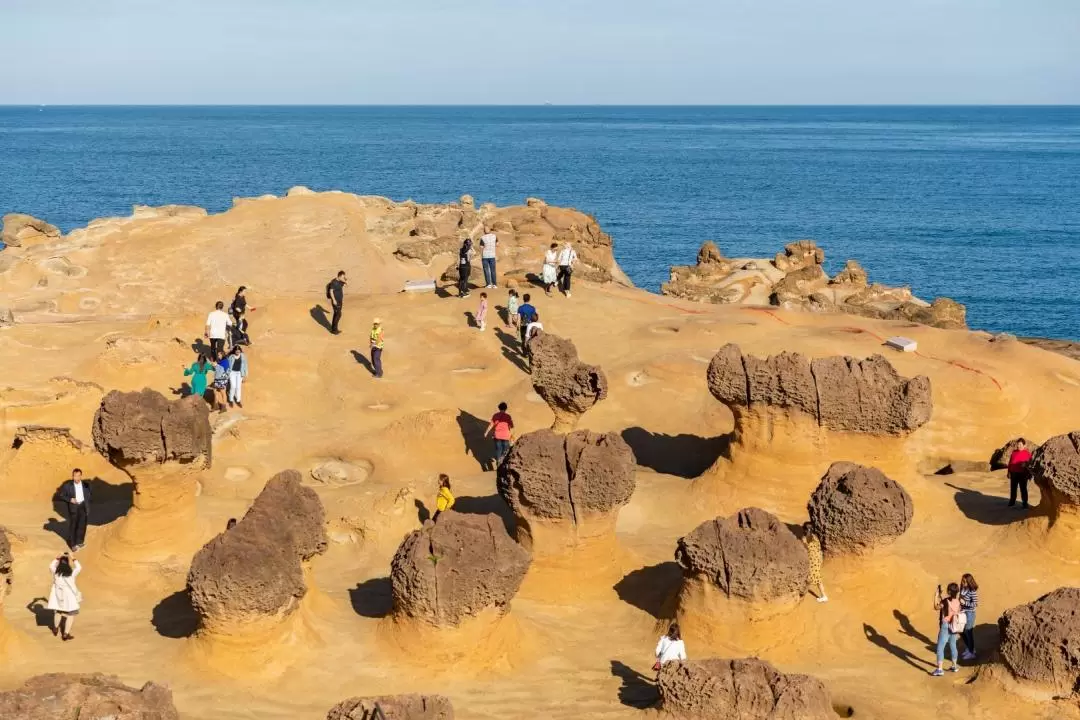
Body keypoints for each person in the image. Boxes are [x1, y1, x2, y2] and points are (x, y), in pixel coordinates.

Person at [47, 552, 81, 641]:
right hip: (69, 597)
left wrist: (57, 557)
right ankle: (65, 634)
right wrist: (73, 557)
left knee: (58, 611)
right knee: (71, 614)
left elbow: (51, 566)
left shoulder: (56, 573)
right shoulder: (72, 573)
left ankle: (55, 628)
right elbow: (79, 567)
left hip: (59, 596)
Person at [932, 582, 964, 676]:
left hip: (945, 626)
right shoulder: (958, 601)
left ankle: (940, 669)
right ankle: (954, 666)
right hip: (954, 626)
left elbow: (936, 607)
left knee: (940, 647)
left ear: (949, 591)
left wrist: (935, 596)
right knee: (953, 645)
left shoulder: (945, 601)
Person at [58, 469, 91, 551]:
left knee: (82, 525)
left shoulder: (86, 485)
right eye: (75, 476)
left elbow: (89, 493)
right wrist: (70, 500)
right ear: (72, 476)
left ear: (81, 476)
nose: (77, 477)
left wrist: (86, 501)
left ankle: (79, 542)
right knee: (73, 526)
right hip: (74, 507)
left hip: (83, 506)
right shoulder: (68, 485)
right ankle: (73, 545)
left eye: (78, 475)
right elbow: (61, 495)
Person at [802, 523, 828, 602]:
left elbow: (804, 549)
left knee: (816, 578)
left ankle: (824, 596)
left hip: (812, 560)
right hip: (818, 559)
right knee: (814, 577)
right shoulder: (815, 537)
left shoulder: (804, 539)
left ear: (805, 530)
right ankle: (823, 595)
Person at [1007, 439, 1033, 509]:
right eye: (1018, 444)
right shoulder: (1014, 452)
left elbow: (1031, 464)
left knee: (1023, 489)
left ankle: (1025, 503)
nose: (1018, 446)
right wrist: (1009, 472)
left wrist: (1030, 474)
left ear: (1024, 445)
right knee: (1013, 489)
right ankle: (1012, 502)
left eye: (1020, 445)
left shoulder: (1027, 454)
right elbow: (1010, 462)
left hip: (1023, 474)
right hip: (1013, 473)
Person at [959, 573, 979, 660]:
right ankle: (969, 648)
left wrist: (965, 603)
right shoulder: (962, 589)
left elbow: (975, 604)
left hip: (970, 614)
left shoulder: (972, 591)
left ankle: (971, 652)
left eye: (965, 581)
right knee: (961, 631)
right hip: (962, 613)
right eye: (962, 581)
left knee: (968, 632)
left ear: (969, 582)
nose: (963, 583)